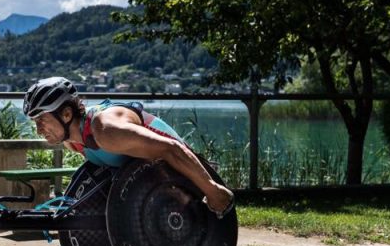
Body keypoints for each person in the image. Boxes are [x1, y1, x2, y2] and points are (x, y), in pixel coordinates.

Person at [23, 76, 234, 218]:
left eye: (41, 120)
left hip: (189, 181)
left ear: (66, 114)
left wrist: (213, 190)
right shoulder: (72, 141)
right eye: (35, 123)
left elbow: (170, 149)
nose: (39, 129)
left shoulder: (106, 129)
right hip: (151, 193)